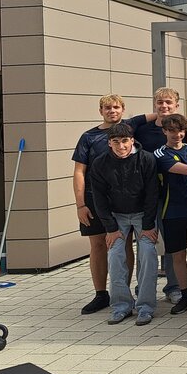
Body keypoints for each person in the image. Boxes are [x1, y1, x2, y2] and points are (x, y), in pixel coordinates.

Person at [73, 94, 140, 315]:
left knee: (125, 244)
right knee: (99, 245)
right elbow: (79, 171)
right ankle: (101, 294)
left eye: (116, 107)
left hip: (123, 200)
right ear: (100, 111)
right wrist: (81, 204)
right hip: (94, 198)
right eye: (107, 108)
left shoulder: (129, 132)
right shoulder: (89, 137)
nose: (112, 111)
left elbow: (160, 117)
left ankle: (125, 292)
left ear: (123, 110)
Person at [89, 123, 159, 326]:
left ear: (132, 141)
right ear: (109, 143)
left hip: (143, 215)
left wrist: (148, 225)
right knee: (115, 255)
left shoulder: (146, 159)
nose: (121, 146)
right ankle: (121, 306)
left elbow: (152, 193)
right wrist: (110, 228)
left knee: (147, 254)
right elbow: (99, 199)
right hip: (116, 216)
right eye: (116, 142)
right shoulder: (100, 163)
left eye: (125, 141)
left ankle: (145, 307)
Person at [153, 114, 187, 316]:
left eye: (180, 130)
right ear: (164, 131)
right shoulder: (159, 154)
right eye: (171, 130)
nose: (177, 134)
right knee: (178, 256)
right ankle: (185, 294)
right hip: (172, 212)